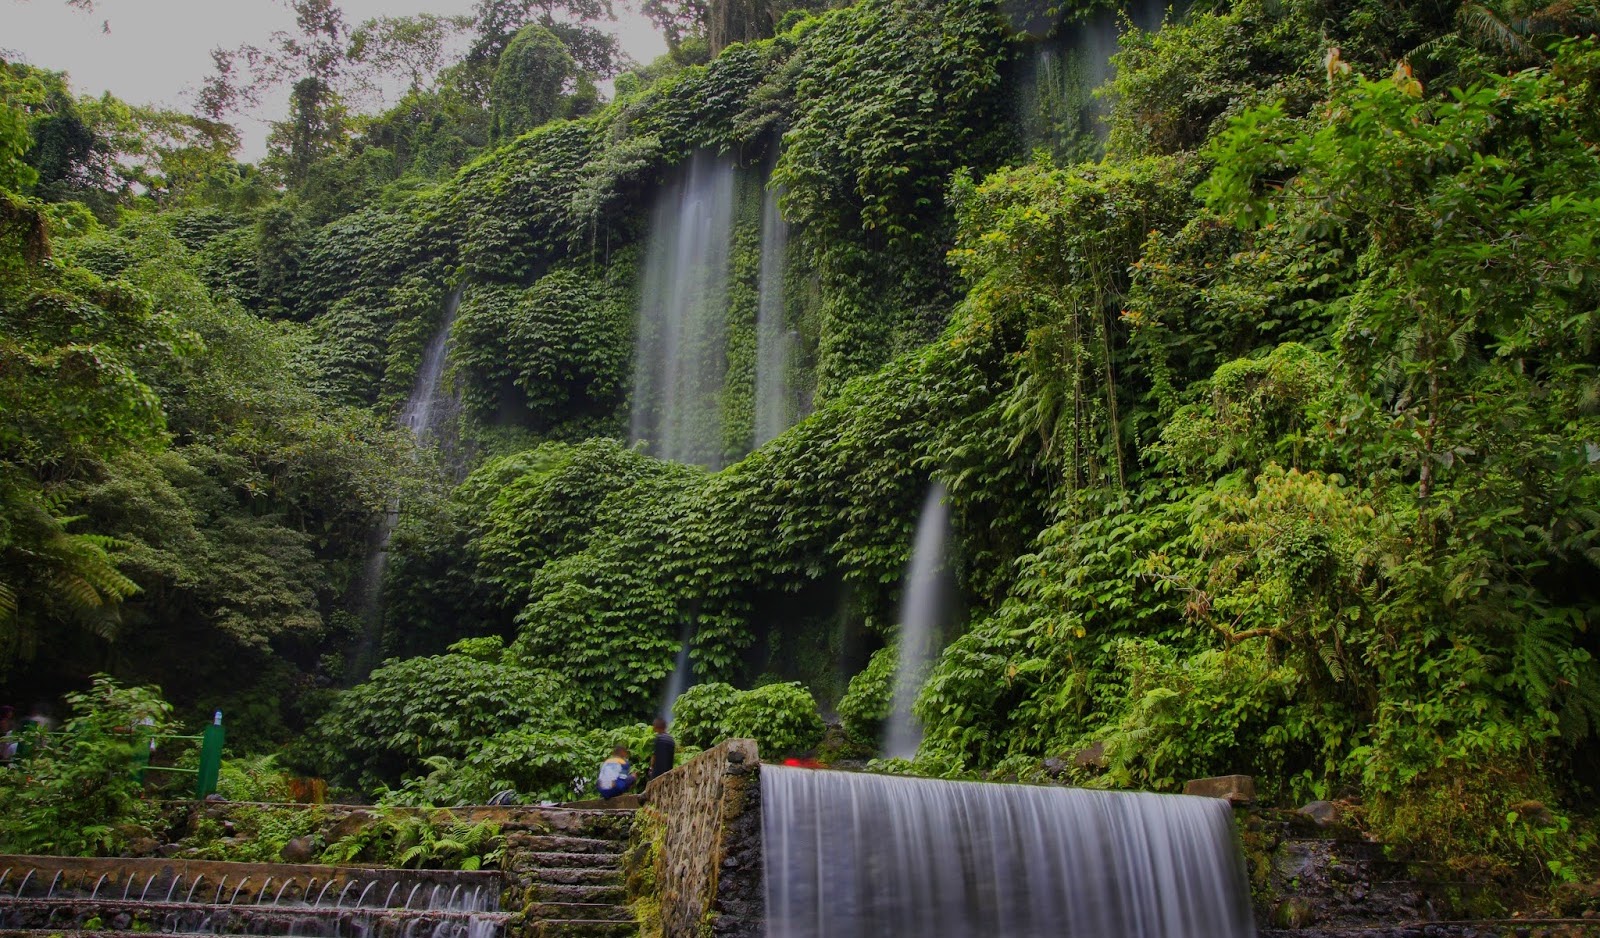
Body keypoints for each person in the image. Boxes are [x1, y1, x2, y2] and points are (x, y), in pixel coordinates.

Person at [647, 717, 676, 784]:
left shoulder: (659, 738)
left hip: (658, 773)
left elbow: (654, 756)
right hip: (668, 773)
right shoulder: (671, 740)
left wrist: (651, 768)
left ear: (656, 727)